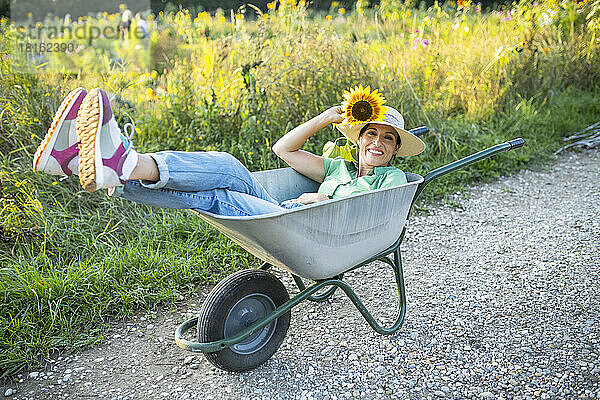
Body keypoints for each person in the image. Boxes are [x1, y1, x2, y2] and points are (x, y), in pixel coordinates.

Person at [32, 88, 425, 217]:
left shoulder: (393, 178)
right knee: (222, 184)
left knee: (228, 172)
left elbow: (373, 204)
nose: (377, 142)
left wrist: (322, 198)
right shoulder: (335, 167)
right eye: (370, 133)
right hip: (289, 219)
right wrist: (324, 118)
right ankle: (116, 170)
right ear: (357, 140)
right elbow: (283, 149)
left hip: (310, 226)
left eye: (388, 139)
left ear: (395, 150)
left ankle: (123, 165)